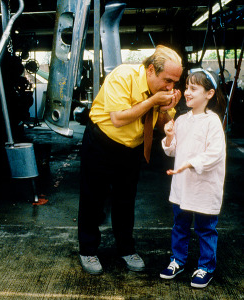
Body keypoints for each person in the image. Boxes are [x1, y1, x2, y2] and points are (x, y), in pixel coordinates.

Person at [78, 45, 183, 275]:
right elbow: (118, 118)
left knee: (125, 200)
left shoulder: (163, 92)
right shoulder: (123, 76)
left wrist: (166, 109)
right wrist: (154, 100)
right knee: (93, 198)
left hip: (132, 148)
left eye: (175, 82)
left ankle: (126, 248)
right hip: (102, 142)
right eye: (167, 80)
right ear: (151, 70)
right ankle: (87, 249)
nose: (170, 87)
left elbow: (159, 125)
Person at [160, 68, 226, 288]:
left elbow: (215, 154)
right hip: (183, 186)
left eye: (193, 89)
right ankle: (177, 260)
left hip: (204, 187)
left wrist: (191, 163)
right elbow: (171, 151)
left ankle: (206, 267)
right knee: (180, 225)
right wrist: (169, 137)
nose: (187, 92)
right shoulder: (181, 120)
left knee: (206, 228)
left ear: (209, 94)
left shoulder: (212, 121)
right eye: (187, 87)